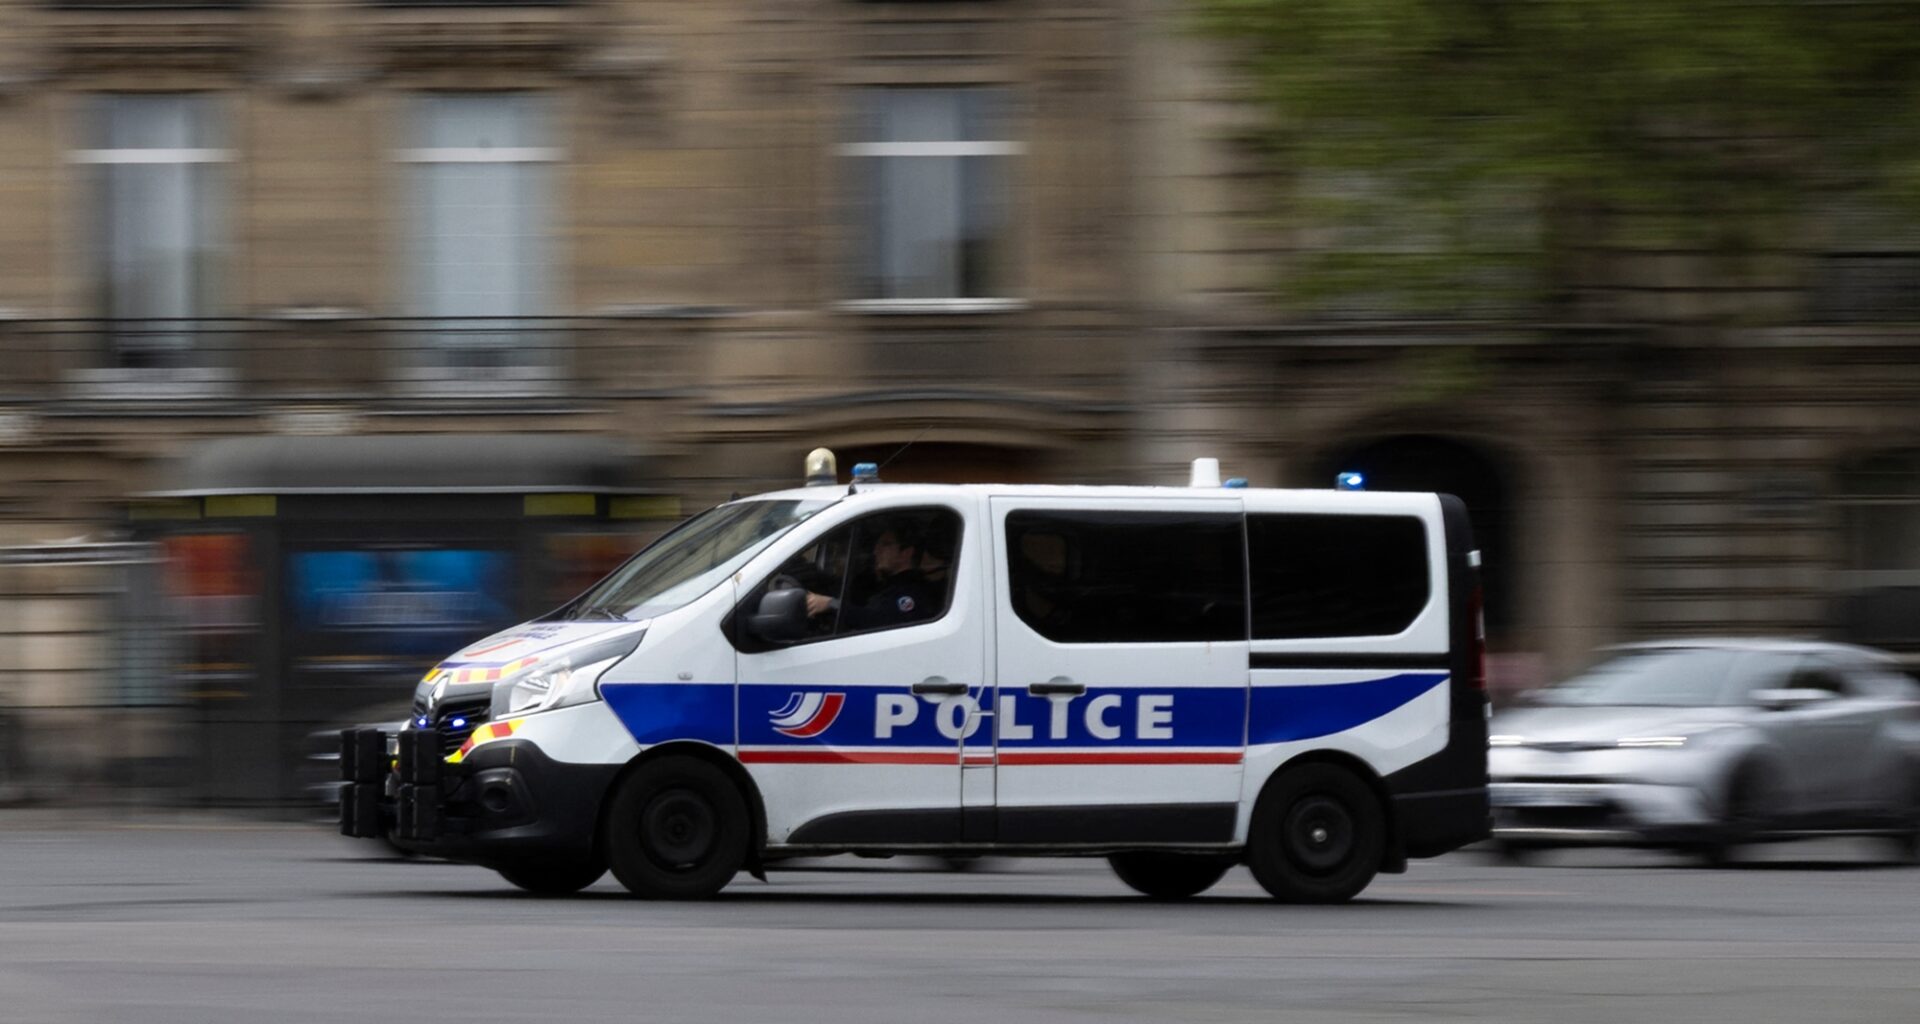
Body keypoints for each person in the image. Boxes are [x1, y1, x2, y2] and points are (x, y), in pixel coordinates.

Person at [806, 524, 939, 631]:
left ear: (906, 553)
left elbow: (879, 621)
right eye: (877, 545)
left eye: (885, 544)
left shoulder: (913, 591)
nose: (876, 551)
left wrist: (831, 604)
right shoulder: (879, 582)